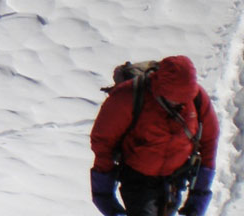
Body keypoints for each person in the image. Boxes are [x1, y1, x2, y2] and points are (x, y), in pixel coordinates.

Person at [90, 55, 218, 216]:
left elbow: (209, 141)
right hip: (138, 180)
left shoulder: (197, 99)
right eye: (174, 100)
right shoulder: (129, 96)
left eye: (184, 100)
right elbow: (103, 140)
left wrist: (200, 193)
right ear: (161, 89)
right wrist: (103, 191)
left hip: (174, 179)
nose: (180, 105)